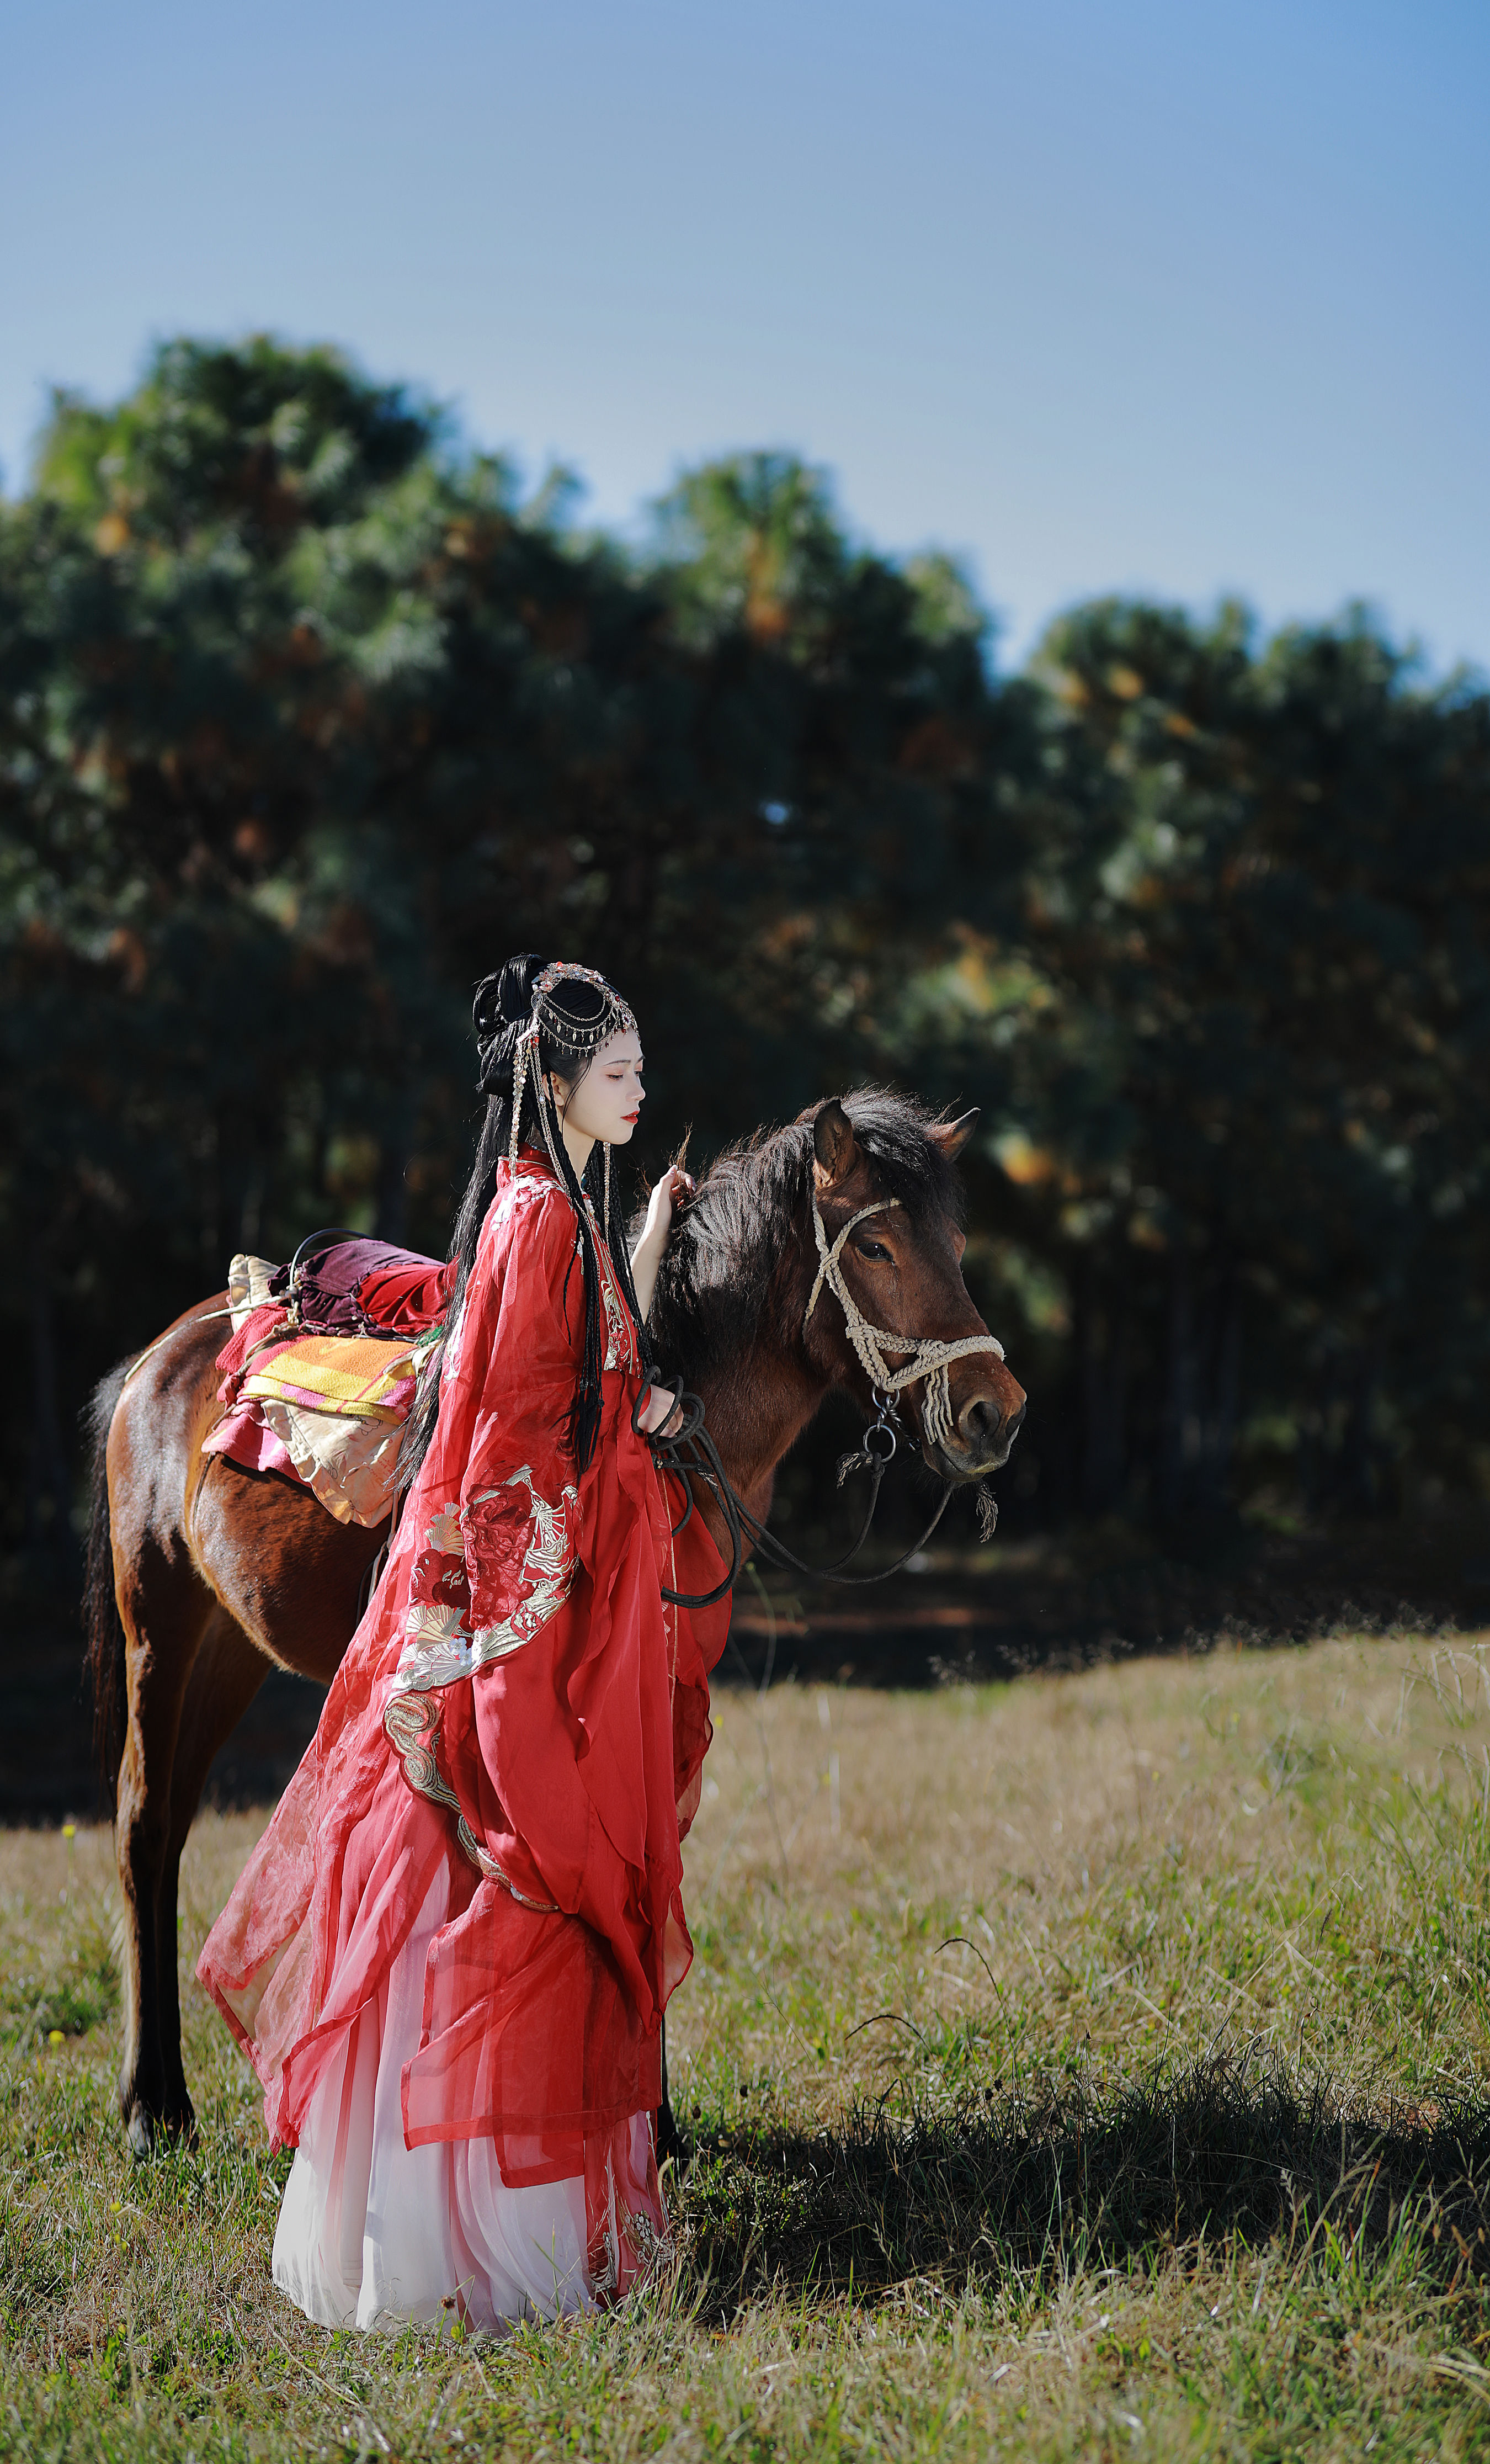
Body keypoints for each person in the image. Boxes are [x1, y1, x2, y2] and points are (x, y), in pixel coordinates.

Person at [196, 954, 728, 2333]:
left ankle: (430, 2231)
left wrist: (656, 1246)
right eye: (620, 1073)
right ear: (556, 1082)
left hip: (498, 1587)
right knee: (530, 1881)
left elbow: (586, 1349)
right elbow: (505, 1428)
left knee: (472, 1894)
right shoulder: (540, 1225)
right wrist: (640, 1440)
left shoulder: (535, 1204)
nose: (641, 1088)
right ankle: (503, 2251)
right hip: (520, 1595)